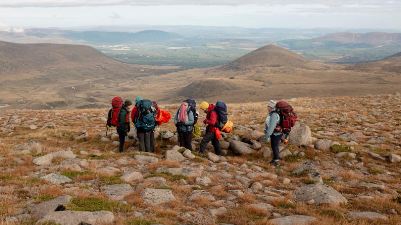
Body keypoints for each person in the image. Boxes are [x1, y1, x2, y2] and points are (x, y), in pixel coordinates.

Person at [264, 100, 283, 166]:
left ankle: (277, 162)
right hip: (276, 133)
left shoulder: (274, 115)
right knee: (275, 146)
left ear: (270, 107)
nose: (267, 107)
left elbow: (272, 126)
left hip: (276, 133)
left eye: (268, 106)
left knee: (274, 146)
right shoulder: (273, 113)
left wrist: (267, 136)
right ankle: (275, 159)